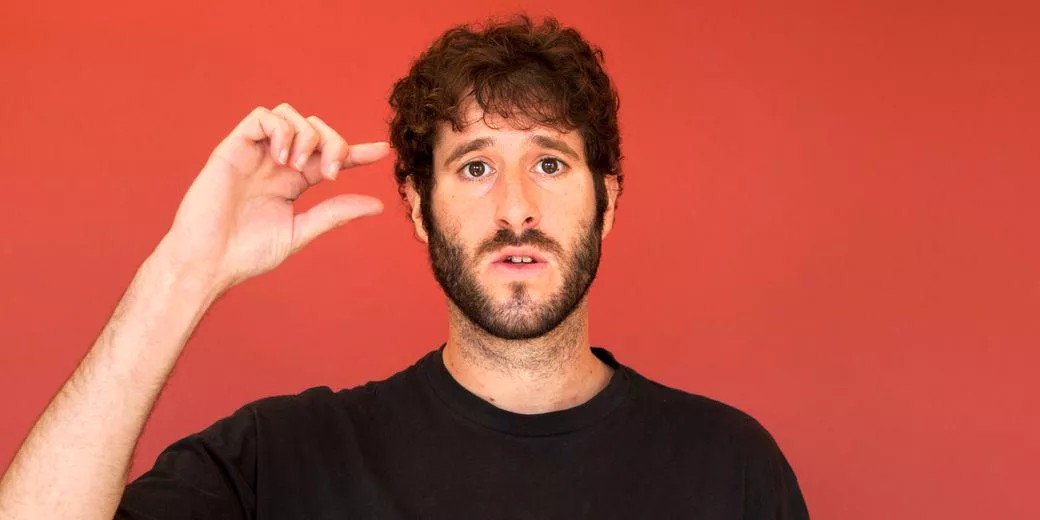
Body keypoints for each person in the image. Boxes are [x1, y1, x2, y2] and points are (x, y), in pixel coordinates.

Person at [0, 16, 809, 519]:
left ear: (609, 202)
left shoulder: (732, 468)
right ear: (420, 210)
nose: (517, 209)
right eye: (476, 167)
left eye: (551, 164)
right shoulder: (280, 461)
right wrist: (186, 270)